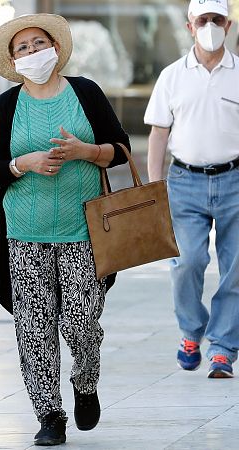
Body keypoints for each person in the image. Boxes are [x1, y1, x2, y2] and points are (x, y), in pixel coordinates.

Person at [0, 14, 130, 446]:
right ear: (13, 59)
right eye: (22, 47)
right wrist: (22, 164)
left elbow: (120, 149)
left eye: (38, 43)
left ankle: (85, 383)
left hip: (83, 229)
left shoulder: (84, 92)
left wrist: (87, 151)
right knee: (34, 324)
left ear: (56, 48)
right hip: (23, 233)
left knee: (83, 322)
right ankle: (49, 414)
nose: (31, 52)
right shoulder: (7, 105)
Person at [144, 0, 238, 379]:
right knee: (186, 263)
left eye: (218, 19)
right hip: (184, 181)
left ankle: (223, 348)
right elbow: (158, 133)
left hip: (235, 180)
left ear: (228, 25)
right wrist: (154, 187)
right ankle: (191, 331)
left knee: (236, 269)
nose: (211, 26)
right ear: (190, 26)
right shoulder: (171, 76)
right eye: (204, 20)